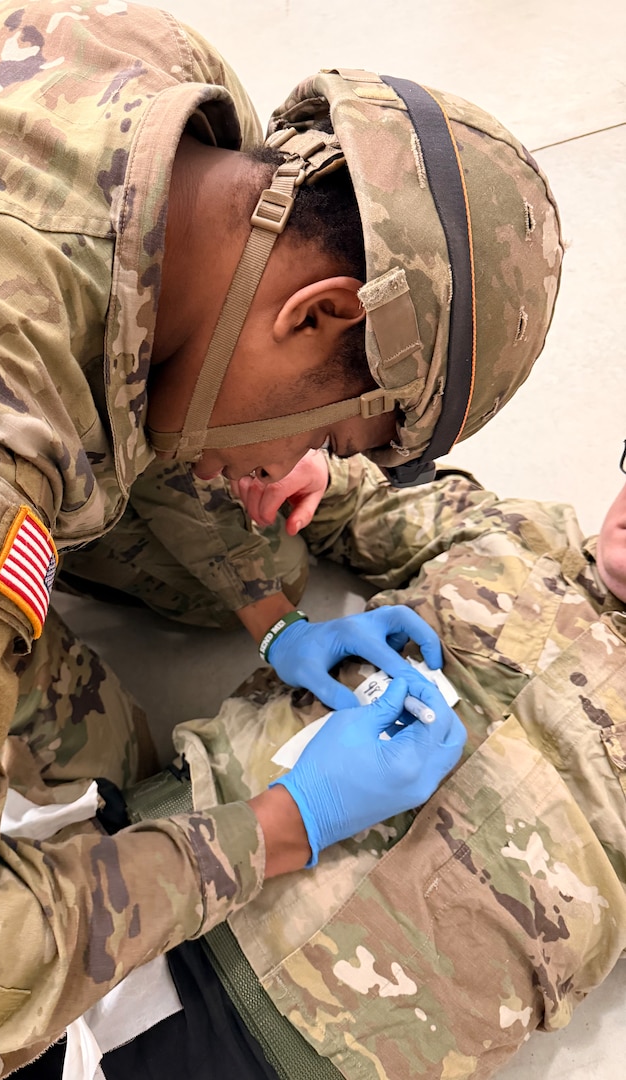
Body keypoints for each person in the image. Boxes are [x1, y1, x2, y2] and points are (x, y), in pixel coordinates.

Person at [0, 0, 562, 1074]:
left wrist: (273, 623)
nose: (292, 465)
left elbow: (141, 380)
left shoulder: (176, 100)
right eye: (326, 430)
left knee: (114, 749)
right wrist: (281, 827)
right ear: (321, 311)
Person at [87, 450, 626, 1080]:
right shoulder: (517, 529)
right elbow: (359, 504)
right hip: (183, 839)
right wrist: (311, 472)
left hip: (335, 1037)